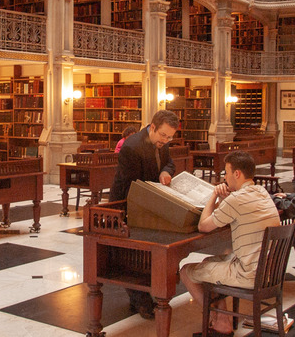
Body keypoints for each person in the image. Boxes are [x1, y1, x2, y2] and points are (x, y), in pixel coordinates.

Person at [181, 151, 281, 337]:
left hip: (249, 274)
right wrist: (225, 198)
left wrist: (213, 195)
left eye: (226, 172)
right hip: (269, 272)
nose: (224, 177)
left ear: (237, 174)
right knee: (211, 262)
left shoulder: (236, 199)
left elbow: (204, 226)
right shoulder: (261, 192)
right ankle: (224, 321)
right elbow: (236, 212)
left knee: (186, 271)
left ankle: (215, 320)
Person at [109, 109, 179, 319]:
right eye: (163, 135)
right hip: (127, 203)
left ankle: (144, 297)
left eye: (170, 137)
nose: (166, 140)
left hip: (150, 201)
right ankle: (140, 300)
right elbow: (134, 184)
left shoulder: (162, 142)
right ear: (153, 127)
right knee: (132, 254)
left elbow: (168, 162)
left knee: (149, 254)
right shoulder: (131, 147)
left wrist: (166, 172)